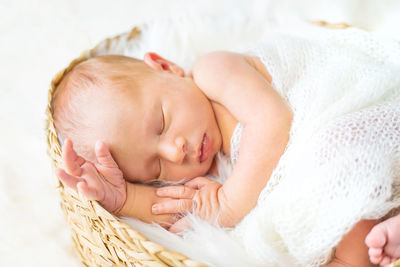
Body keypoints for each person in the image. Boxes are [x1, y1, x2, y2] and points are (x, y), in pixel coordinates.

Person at [52, 32, 400, 266]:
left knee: (334, 152)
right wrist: (125, 199)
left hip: (359, 114)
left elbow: (273, 121)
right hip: (361, 171)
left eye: (161, 122)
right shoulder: (210, 169)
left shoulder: (213, 71)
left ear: (166, 67)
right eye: (155, 168)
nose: (175, 152)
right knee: (323, 212)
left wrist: (228, 204)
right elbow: (181, 212)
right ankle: (388, 231)